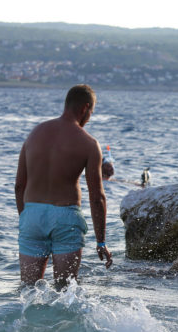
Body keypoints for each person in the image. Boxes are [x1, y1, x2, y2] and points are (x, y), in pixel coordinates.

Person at [15, 84, 112, 289]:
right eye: (91, 113)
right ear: (85, 108)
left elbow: (19, 186)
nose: (89, 118)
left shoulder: (34, 134)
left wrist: (26, 218)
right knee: (65, 292)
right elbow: (97, 197)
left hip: (32, 214)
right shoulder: (89, 143)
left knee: (28, 291)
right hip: (65, 218)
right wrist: (101, 242)